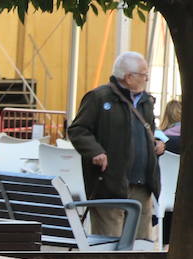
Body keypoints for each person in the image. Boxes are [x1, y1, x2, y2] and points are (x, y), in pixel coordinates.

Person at [68, 51, 162, 240]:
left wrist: (156, 143)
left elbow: (148, 129)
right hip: (110, 182)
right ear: (128, 77)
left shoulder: (146, 102)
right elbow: (78, 130)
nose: (147, 79)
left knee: (141, 245)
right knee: (109, 244)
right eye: (144, 75)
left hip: (142, 185)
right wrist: (95, 151)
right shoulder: (99, 97)